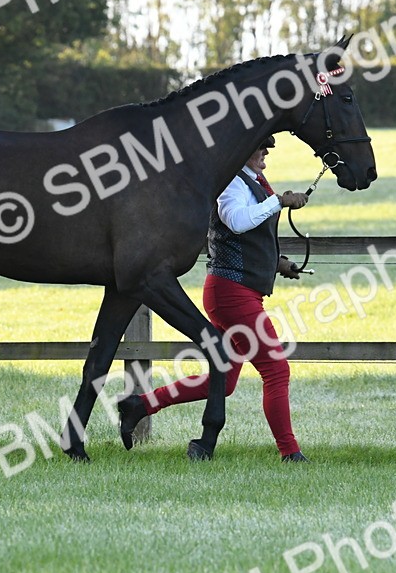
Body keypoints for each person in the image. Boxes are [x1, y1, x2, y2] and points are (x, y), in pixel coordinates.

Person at [117, 135, 311, 462]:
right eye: (260, 146)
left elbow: (252, 234)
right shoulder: (232, 183)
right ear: (240, 150)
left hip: (237, 291)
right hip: (232, 294)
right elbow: (236, 221)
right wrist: (279, 201)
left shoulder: (254, 180)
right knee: (276, 369)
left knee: (225, 382)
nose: (266, 152)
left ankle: (141, 404)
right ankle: (290, 453)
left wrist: (278, 263)